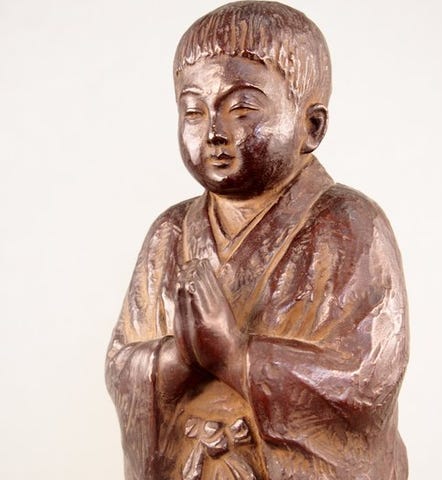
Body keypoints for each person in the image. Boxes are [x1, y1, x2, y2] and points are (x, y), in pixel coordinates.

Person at [106, 2, 409, 479]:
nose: (214, 132)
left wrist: (235, 355)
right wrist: (177, 358)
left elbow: (366, 379)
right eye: (193, 110)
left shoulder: (349, 223)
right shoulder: (169, 233)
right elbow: (122, 363)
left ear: (312, 126)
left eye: (242, 109)